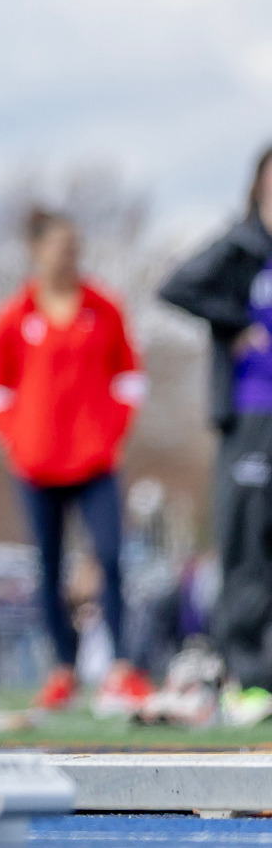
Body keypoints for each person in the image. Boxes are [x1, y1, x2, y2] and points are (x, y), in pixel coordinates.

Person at [0, 207, 150, 713]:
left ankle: (121, 667)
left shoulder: (105, 308)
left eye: (75, 245)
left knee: (113, 556)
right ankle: (63, 670)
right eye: (59, 245)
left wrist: (111, 431)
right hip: (36, 467)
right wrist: (17, 439)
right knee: (46, 566)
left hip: (95, 462)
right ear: (36, 250)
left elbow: (130, 378)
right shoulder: (13, 317)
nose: (69, 255)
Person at [159, 145, 272, 712]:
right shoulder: (240, 250)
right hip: (252, 416)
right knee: (247, 548)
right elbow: (176, 286)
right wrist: (235, 323)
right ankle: (249, 680)